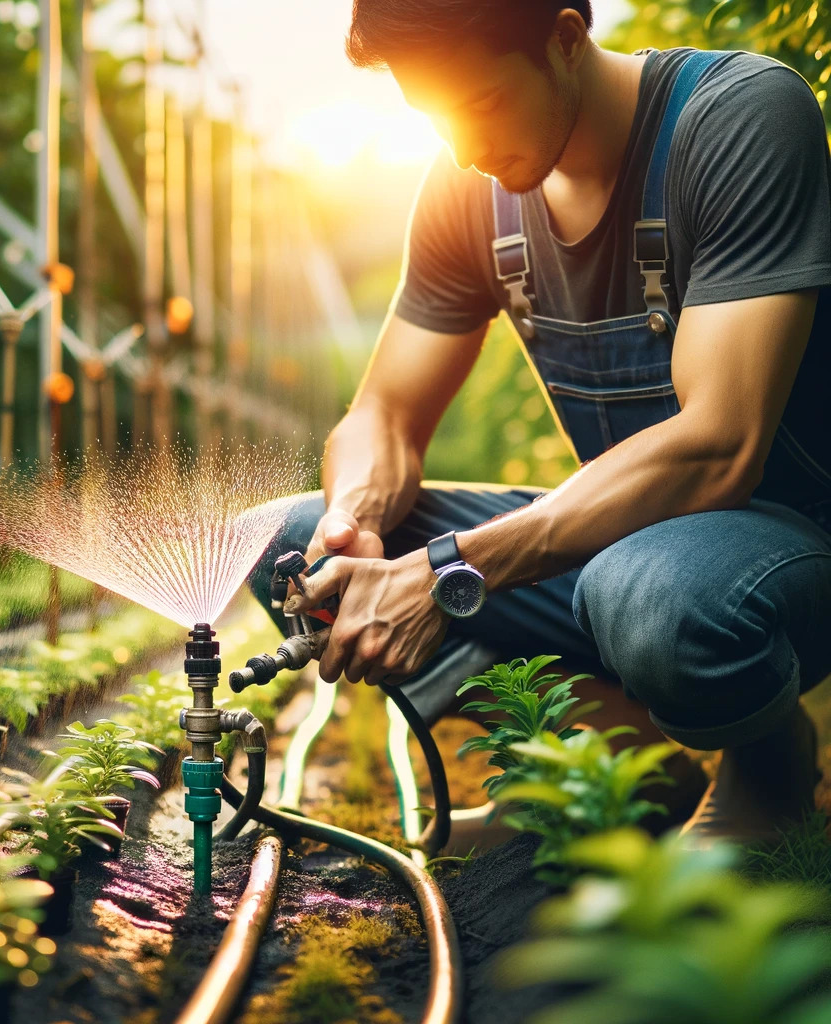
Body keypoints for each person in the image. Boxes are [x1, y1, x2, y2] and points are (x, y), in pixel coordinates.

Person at [251, 0, 831, 844]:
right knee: (292, 544)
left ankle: (770, 766)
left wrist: (447, 571)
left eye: (482, 106)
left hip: (785, 546)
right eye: (434, 119)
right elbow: (383, 411)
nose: (465, 151)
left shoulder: (738, 118)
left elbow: (719, 446)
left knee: (657, 596)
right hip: (619, 544)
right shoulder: (468, 189)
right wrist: (359, 525)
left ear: (565, 38)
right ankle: (606, 758)